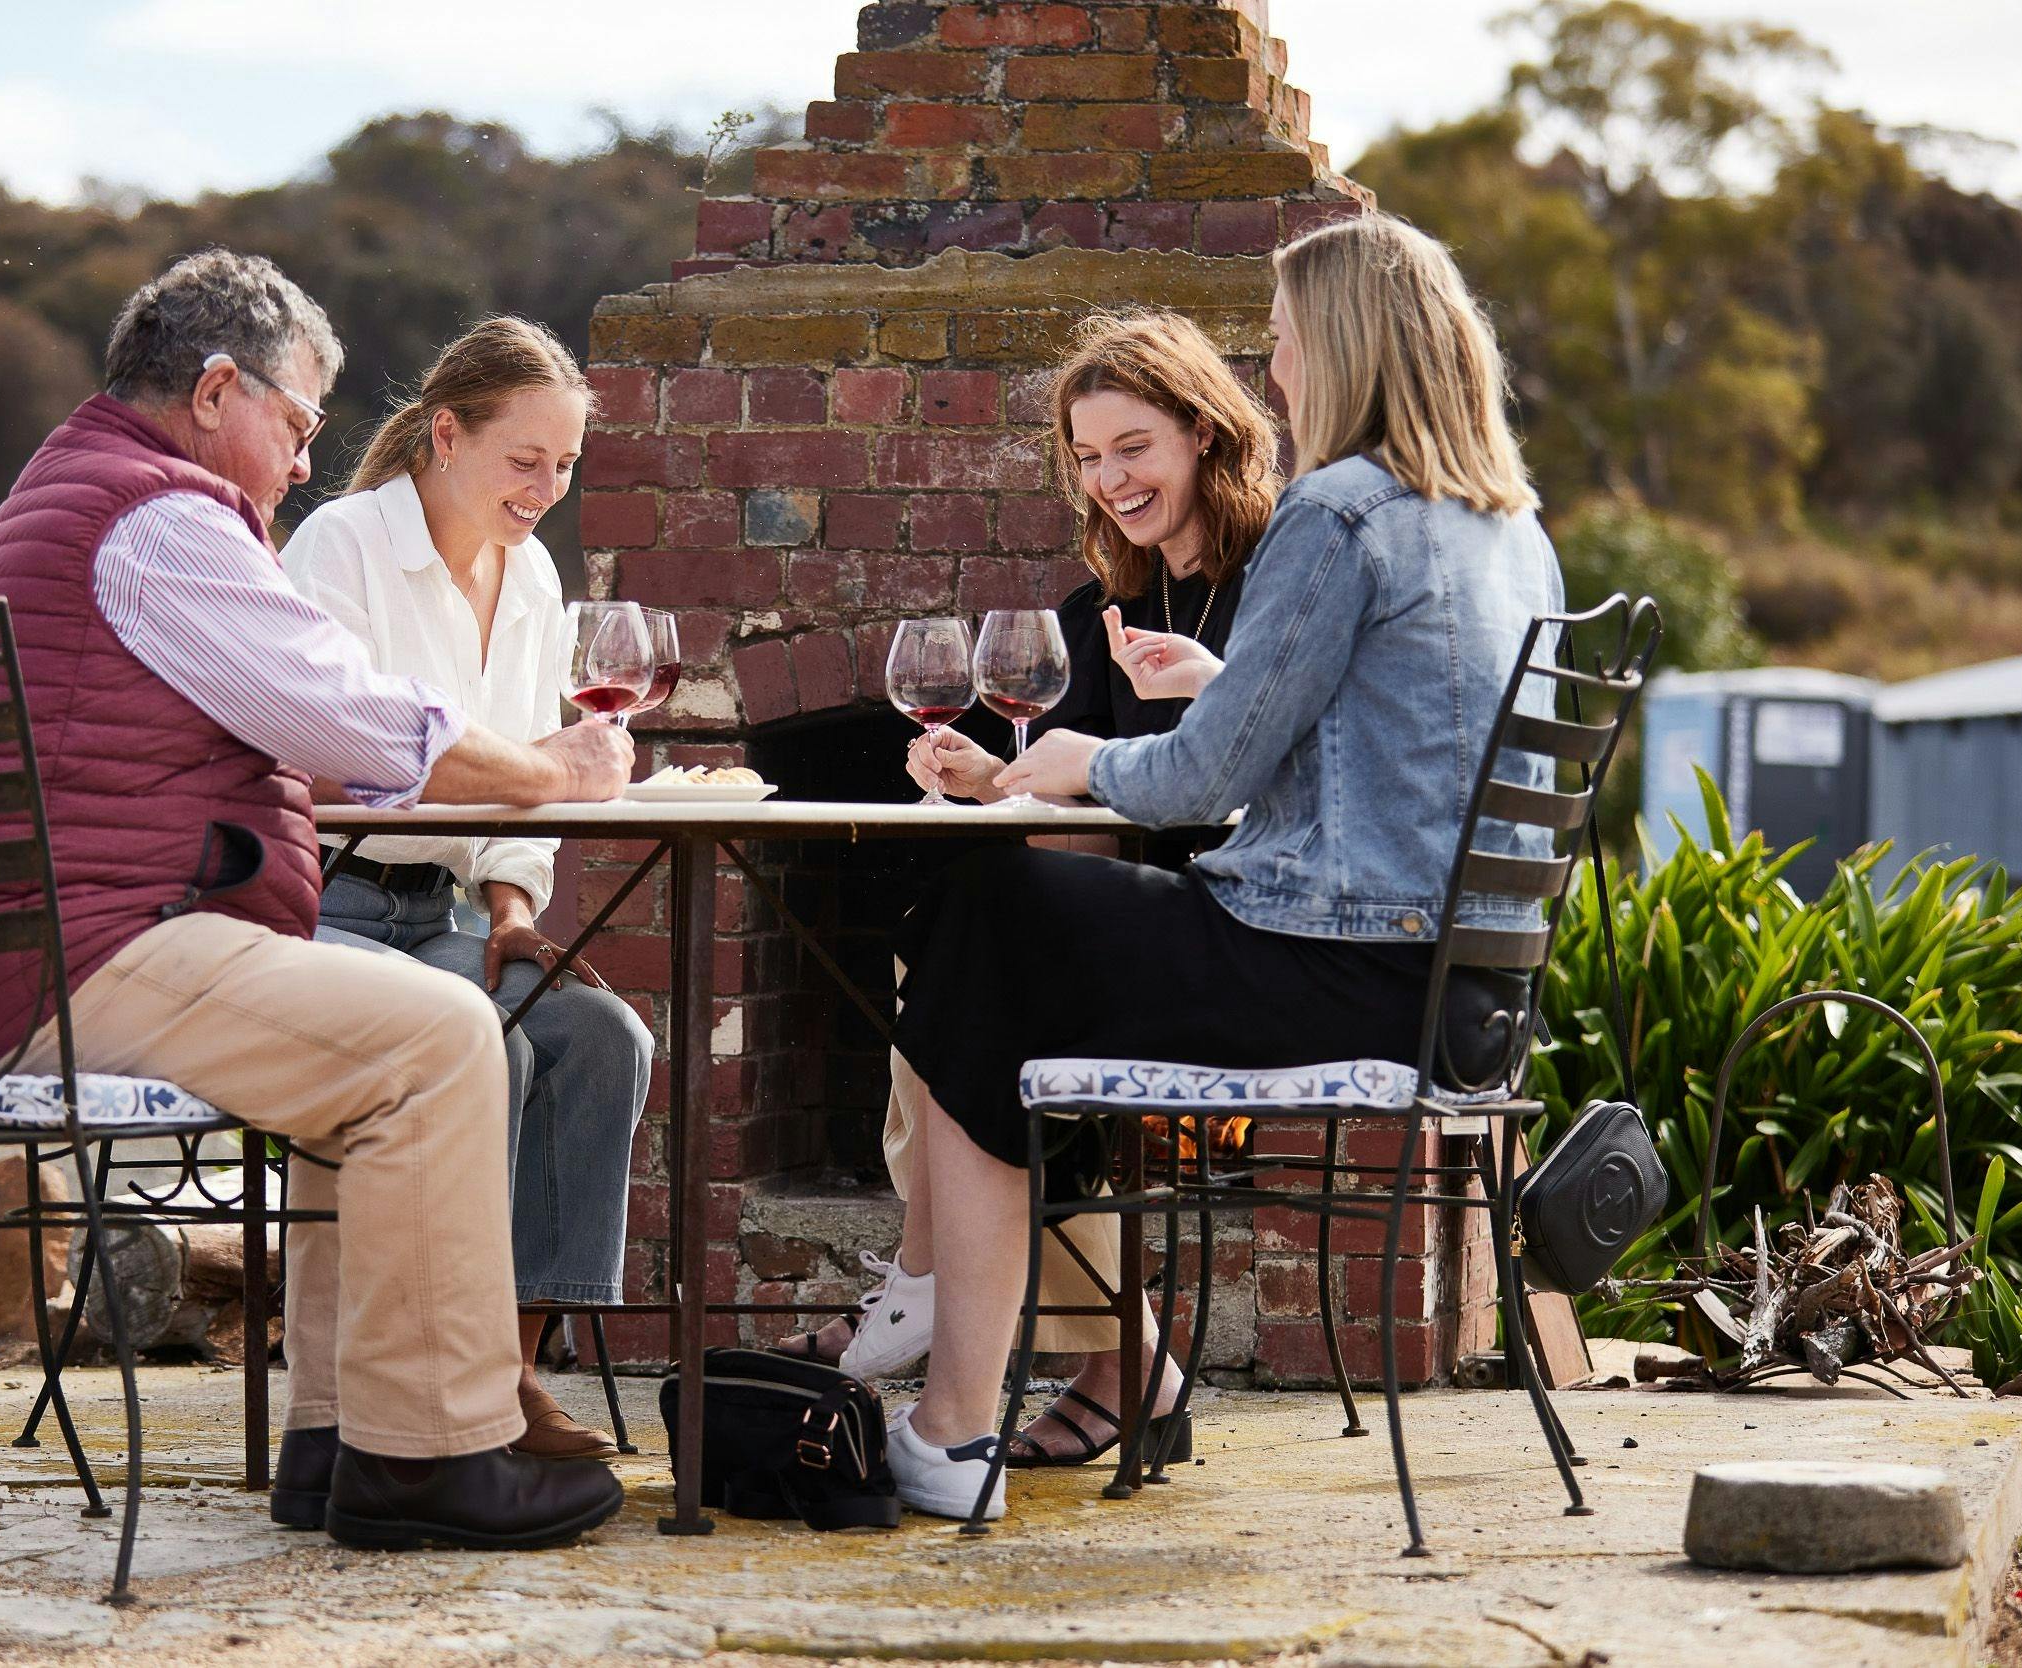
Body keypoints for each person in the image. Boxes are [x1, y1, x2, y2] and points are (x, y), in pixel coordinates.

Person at [0, 249, 635, 1551]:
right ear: (219, 387)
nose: (305, 462)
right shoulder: (161, 520)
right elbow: (345, 719)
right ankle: (436, 1457)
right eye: (295, 425)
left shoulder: (77, 494)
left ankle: (338, 1441)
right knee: (438, 1035)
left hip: (35, 952)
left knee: (385, 1049)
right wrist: (551, 768)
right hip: (75, 960)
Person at [870, 214, 1565, 1520]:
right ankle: (1041, 1373)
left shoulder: (1341, 514)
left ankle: (954, 1418)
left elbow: (1203, 783)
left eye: (1292, 343)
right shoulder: (1510, 534)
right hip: (1464, 997)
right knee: (1011, 938)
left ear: (1349, 348)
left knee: (988, 905)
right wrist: (1196, 704)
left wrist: (1069, 759)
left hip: (1336, 971)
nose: (1282, 373)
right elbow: (1383, 747)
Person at [779, 311, 1284, 1469]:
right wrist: (987, 776)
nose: (1110, 480)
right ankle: (1121, 1365)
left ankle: (937, 1288)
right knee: (958, 968)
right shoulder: (1102, 604)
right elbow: (1076, 792)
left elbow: (1235, 784)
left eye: (1133, 447)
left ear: (1202, 433)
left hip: (1238, 934)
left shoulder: (1276, 587)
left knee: (967, 988)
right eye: (1087, 456)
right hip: (1130, 921)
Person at [280, 318, 654, 1463]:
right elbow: (335, 755)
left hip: (445, 915)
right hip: (326, 906)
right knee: (484, 1047)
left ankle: (513, 1376)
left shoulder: (534, 575)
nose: (547, 490)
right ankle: (444, 1388)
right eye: (524, 461)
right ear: (446, 434)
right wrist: (535, 772)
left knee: (599, 1037)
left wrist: (513, 916)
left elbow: (525, 786)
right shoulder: (341, 548)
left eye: (567, 467)